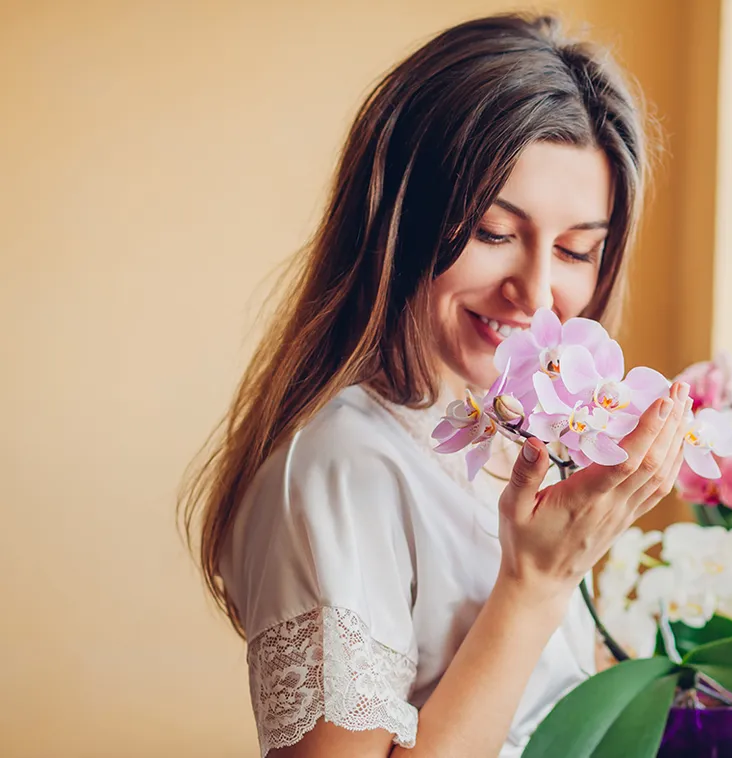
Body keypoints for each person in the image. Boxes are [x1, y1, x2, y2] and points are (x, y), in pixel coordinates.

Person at [180, 14, 689, 757]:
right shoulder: (342, 468)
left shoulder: (494, 440)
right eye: (492, 233)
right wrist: (535, 585)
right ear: (398, 221)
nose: (538, 293)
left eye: (578, 249)